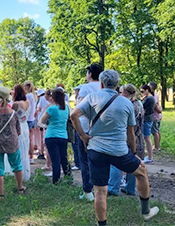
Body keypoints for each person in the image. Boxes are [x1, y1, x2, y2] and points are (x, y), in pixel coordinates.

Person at [70, 70, 159, 225]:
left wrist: (83, 136)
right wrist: (133, 152)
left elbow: (73, 115)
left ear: (102, 83)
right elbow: (130, 133)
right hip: (119, 151)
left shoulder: (92, 97)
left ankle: (102, 224)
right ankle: (145, 211)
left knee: (99, 191)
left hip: (96, 150)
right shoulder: (126, 102)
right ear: (118, 84)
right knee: (142, 172)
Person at [0, 87, 25, 199]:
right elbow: (18, 130)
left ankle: (1, 193)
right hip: (12, 142)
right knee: (17, 165)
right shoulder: (13, 113)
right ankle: (20, 188)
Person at [108, 84, 145, 196]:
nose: (119, 94)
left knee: (116, 162)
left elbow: (128, 126)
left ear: (126, 93)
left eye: (121, 91)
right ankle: (130, 188)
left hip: (128, 137)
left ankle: (113, 187)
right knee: (133, 163)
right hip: (138, 137)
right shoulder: (139, 103)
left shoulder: (129, 105)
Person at [76, 63, 103, 202]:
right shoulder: (105, 87)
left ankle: (88, 191)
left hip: (85, 128)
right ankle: (101, 188)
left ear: (90, 74)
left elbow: (79, 108)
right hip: (102, 128)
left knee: (85, 160)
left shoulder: (86, 88)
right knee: (100, 159)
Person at [40, 88, 71, 184]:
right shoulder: (66, 108)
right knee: (64, 158)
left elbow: (41, 122)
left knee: (55, 159)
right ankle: (68, 177)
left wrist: (46, 126)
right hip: (63, 136)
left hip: (51, 135)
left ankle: (56, 180)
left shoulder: (51, 109)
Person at [4, 84, 31, 180]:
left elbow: (9, 115)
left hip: (17, 127)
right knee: (24, 150)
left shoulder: (16, 104)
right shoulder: (27, 101)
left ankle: (13, 172)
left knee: (14, 150)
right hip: (25, 126)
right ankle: (25, 173)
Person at [141, 85, 156, 164]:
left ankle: (150, 157)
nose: (142, 93)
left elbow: (141, 105)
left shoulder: (149, 98)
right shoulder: (150, 98)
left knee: (147, 138)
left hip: (147, 119)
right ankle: (149, 156)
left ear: (147, 90)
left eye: (142, 91)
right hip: (148, 119)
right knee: (147, 138)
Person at [24, 81, 38, 164]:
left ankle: (28, 156)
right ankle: (31, 156)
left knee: (27, 139)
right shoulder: (34, 95)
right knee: (31, 139)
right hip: (32, 119)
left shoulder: (28, 96)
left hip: (28, 119)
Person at [148, 82, 162, 152]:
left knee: (155, 132)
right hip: (157, 116)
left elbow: (155, 106)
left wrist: (159, 110)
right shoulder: (155, 94)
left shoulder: (153, 96)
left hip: (154, 116)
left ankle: (156, 147)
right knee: (157, 130)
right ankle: (157, 145)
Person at [35, 89, 48, 159]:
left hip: (41, 119)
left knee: (42, 136)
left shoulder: (42, 99)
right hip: (47, 120)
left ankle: (41, 152)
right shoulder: (49, 99)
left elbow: (39, 109)